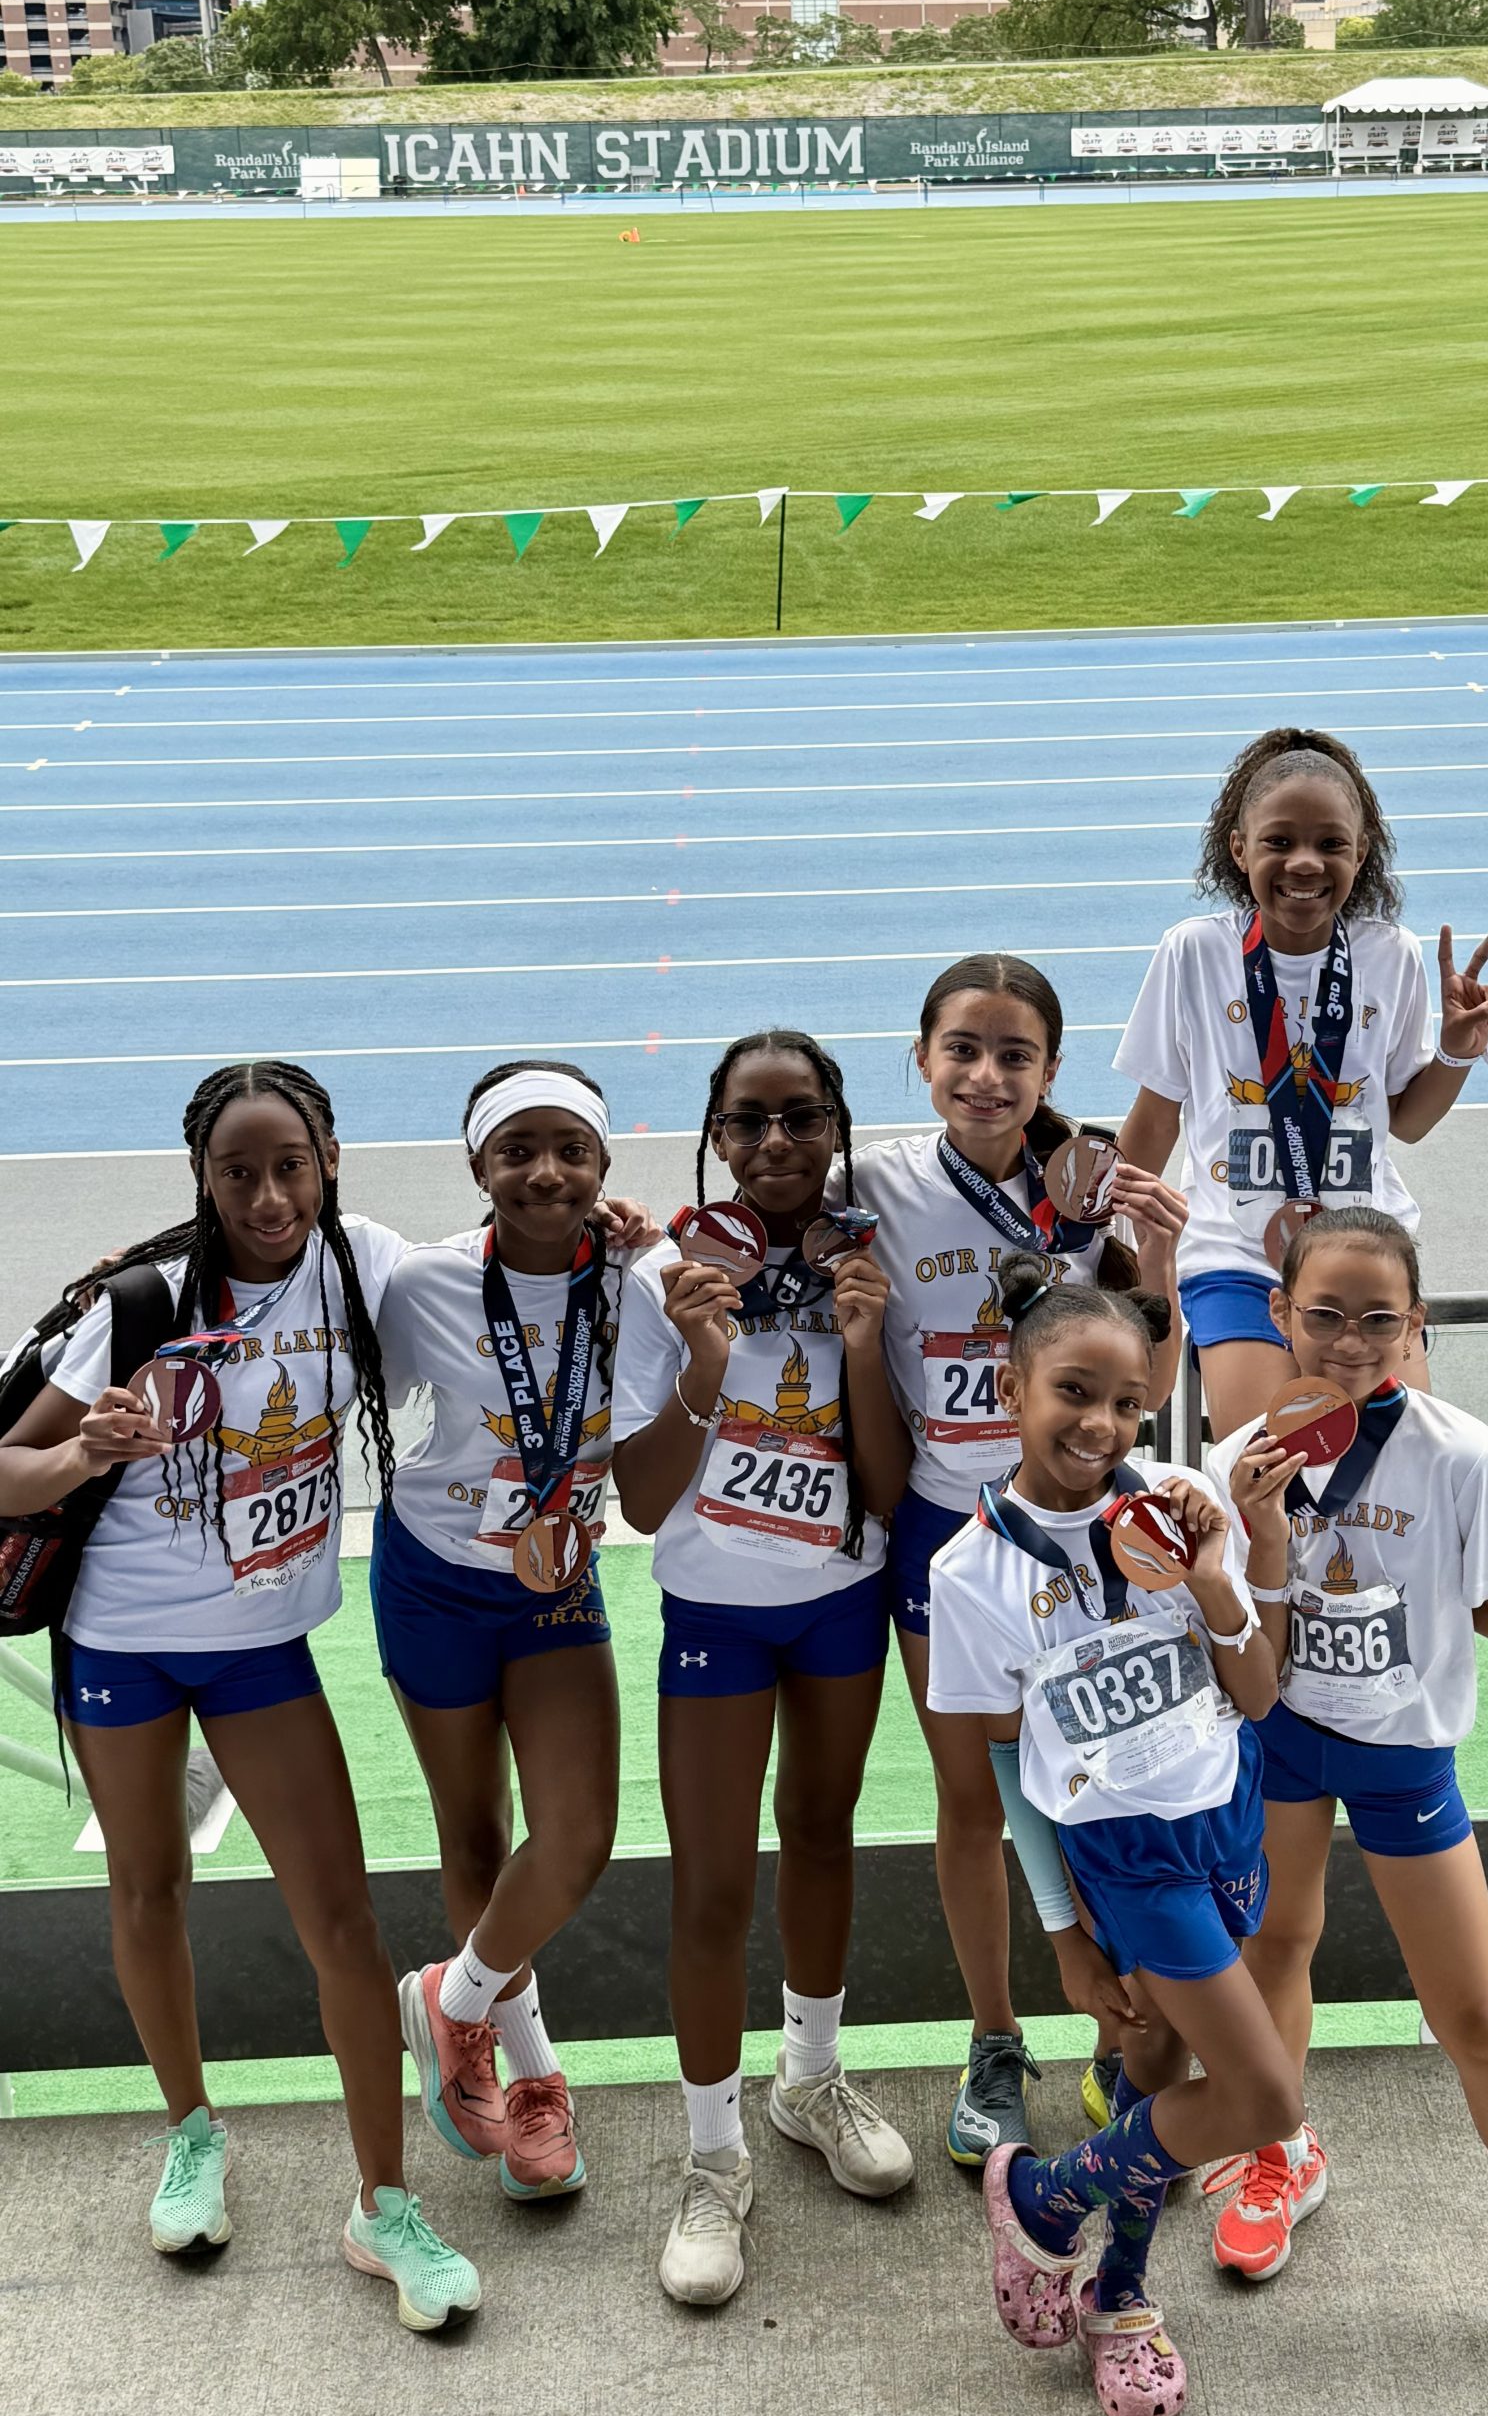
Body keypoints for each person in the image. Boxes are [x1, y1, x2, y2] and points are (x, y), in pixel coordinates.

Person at [0, 1061, 480, 2331]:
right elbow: (5, 1469)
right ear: (202, 1180)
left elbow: (503, 1268)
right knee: (148, 1889)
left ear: (331, 1162)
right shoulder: (143, 1303)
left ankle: (383, 2204)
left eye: (290, 1167)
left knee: (343, 1920)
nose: (269, 1198)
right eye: (238, 1173)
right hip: (122, 1643)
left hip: (261, 1651)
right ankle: (192, 2132)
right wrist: (83, 1451)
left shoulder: (362, 1263)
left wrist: (624, 1235)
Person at [1212, 1207, 1488, 2416]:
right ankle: (1280, 2150)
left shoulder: (1464, 1454)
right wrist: (1264, 1532)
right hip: (1283, 1735)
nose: (1349, 1339)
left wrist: (1410, 1591)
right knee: (1277, 1945)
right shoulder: (1239, 1457)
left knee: (1471, 2015)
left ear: (1417, 1327)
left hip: (1405, 1750)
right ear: (1279, 1314)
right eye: (1324, 1314)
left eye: (1379, 1318)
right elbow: (1245, 1649)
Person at [929, 1257, 1305, 2416]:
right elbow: (1006, 1769)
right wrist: (1064, 1937)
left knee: (1157, 2070)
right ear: (1011, 1387)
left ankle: (1123, 2296)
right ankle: (1045, 2197)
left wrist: (1218, 1571)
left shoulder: (1182, 1502)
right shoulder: (969, 1571)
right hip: (1128, 1864)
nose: (1100, 1422)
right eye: (1074, 1392)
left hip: (1227, 1821)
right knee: (1263, 2097)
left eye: (1128, 1401)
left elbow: (1255, 1694)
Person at [860, 952, 1188, 2162]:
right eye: (963, 1049)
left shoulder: (1090, 1187)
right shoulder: (874, 1184)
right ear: (922, 1058)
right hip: (945, 1536)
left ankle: (1118, 2035)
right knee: (971, 1800)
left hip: (1083, 1531)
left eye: (1015, 1055)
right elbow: (754, 1210)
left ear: (1051, 1068)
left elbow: (1151, 1368)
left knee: (1096, 1781)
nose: (986, 1076)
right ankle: (995, 2038)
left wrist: (1158, 1255)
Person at [612, 1029, 916, 2308]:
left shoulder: (871, 1259)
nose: (777, 1141)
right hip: (718, 1612)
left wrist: (863, 1344)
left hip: (842, 1599)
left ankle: (809, 2079)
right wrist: (700, 1358)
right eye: (750, 1120)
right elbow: (638, 1501)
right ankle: (711, 2154)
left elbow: (888, 1486)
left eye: (802, 1117)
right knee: (713, 1882)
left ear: (838, 1126)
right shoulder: (667, 1274)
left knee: (824, 1835)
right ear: (716, 1134)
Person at [373, 1061, 647, 2205]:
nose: (545, 1172)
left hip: (555, 1587)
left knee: (576, 1833)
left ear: (603, 1164)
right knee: (478, 1835)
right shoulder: (423, 1283)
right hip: (432, 1578)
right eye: (516, 1150)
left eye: (571, 1149)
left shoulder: (639, 1279)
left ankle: (452, 2001)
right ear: (478, 1166)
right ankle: (534, 2081)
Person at [1114, 725, 1488, 1439]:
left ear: (1361, 852)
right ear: (1240, 849)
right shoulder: (1194, 952)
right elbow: (1157, 1116)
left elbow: (1407, 1120)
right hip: (1235, 1257)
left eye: (1330, 843)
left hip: (1364, 1255)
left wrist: (1455, 1052)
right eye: (1280, 841)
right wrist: (1112, 1245)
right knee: (1267, 1462)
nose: (1304, 862)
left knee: (1398, 1458)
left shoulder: (1391, 955)